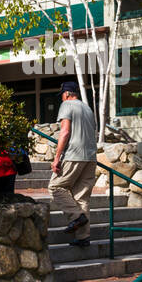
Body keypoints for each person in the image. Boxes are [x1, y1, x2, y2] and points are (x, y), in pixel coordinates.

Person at [49, 80, 98, 247]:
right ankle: (83, 237)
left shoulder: (67, 105)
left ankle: (77, 216)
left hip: (74, 155)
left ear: (68, 94)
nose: (62, 99)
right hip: (90, 157)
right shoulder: (87, 108)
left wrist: (57, 158)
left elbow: (65, 132)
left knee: (55, 186)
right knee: (81, 197)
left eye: (62, 95)